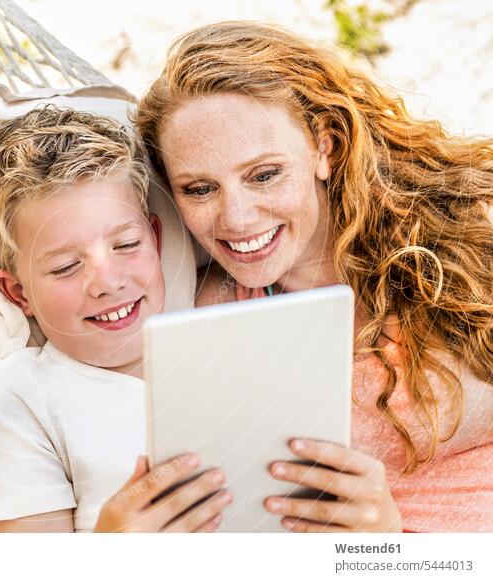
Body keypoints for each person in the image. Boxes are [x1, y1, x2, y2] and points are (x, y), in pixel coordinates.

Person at [135, 21, 493, 532]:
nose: (236, 218)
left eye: (264, 174)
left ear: (323, 147)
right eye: (198, 189)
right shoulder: (211, 318)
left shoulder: (468, 235)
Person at [0, 105, 232, 532]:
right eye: (66, 266)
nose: (107, 281)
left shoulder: (231, 339)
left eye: (125, 244)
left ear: (156, 241)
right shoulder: (21, 397)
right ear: (18, 293)